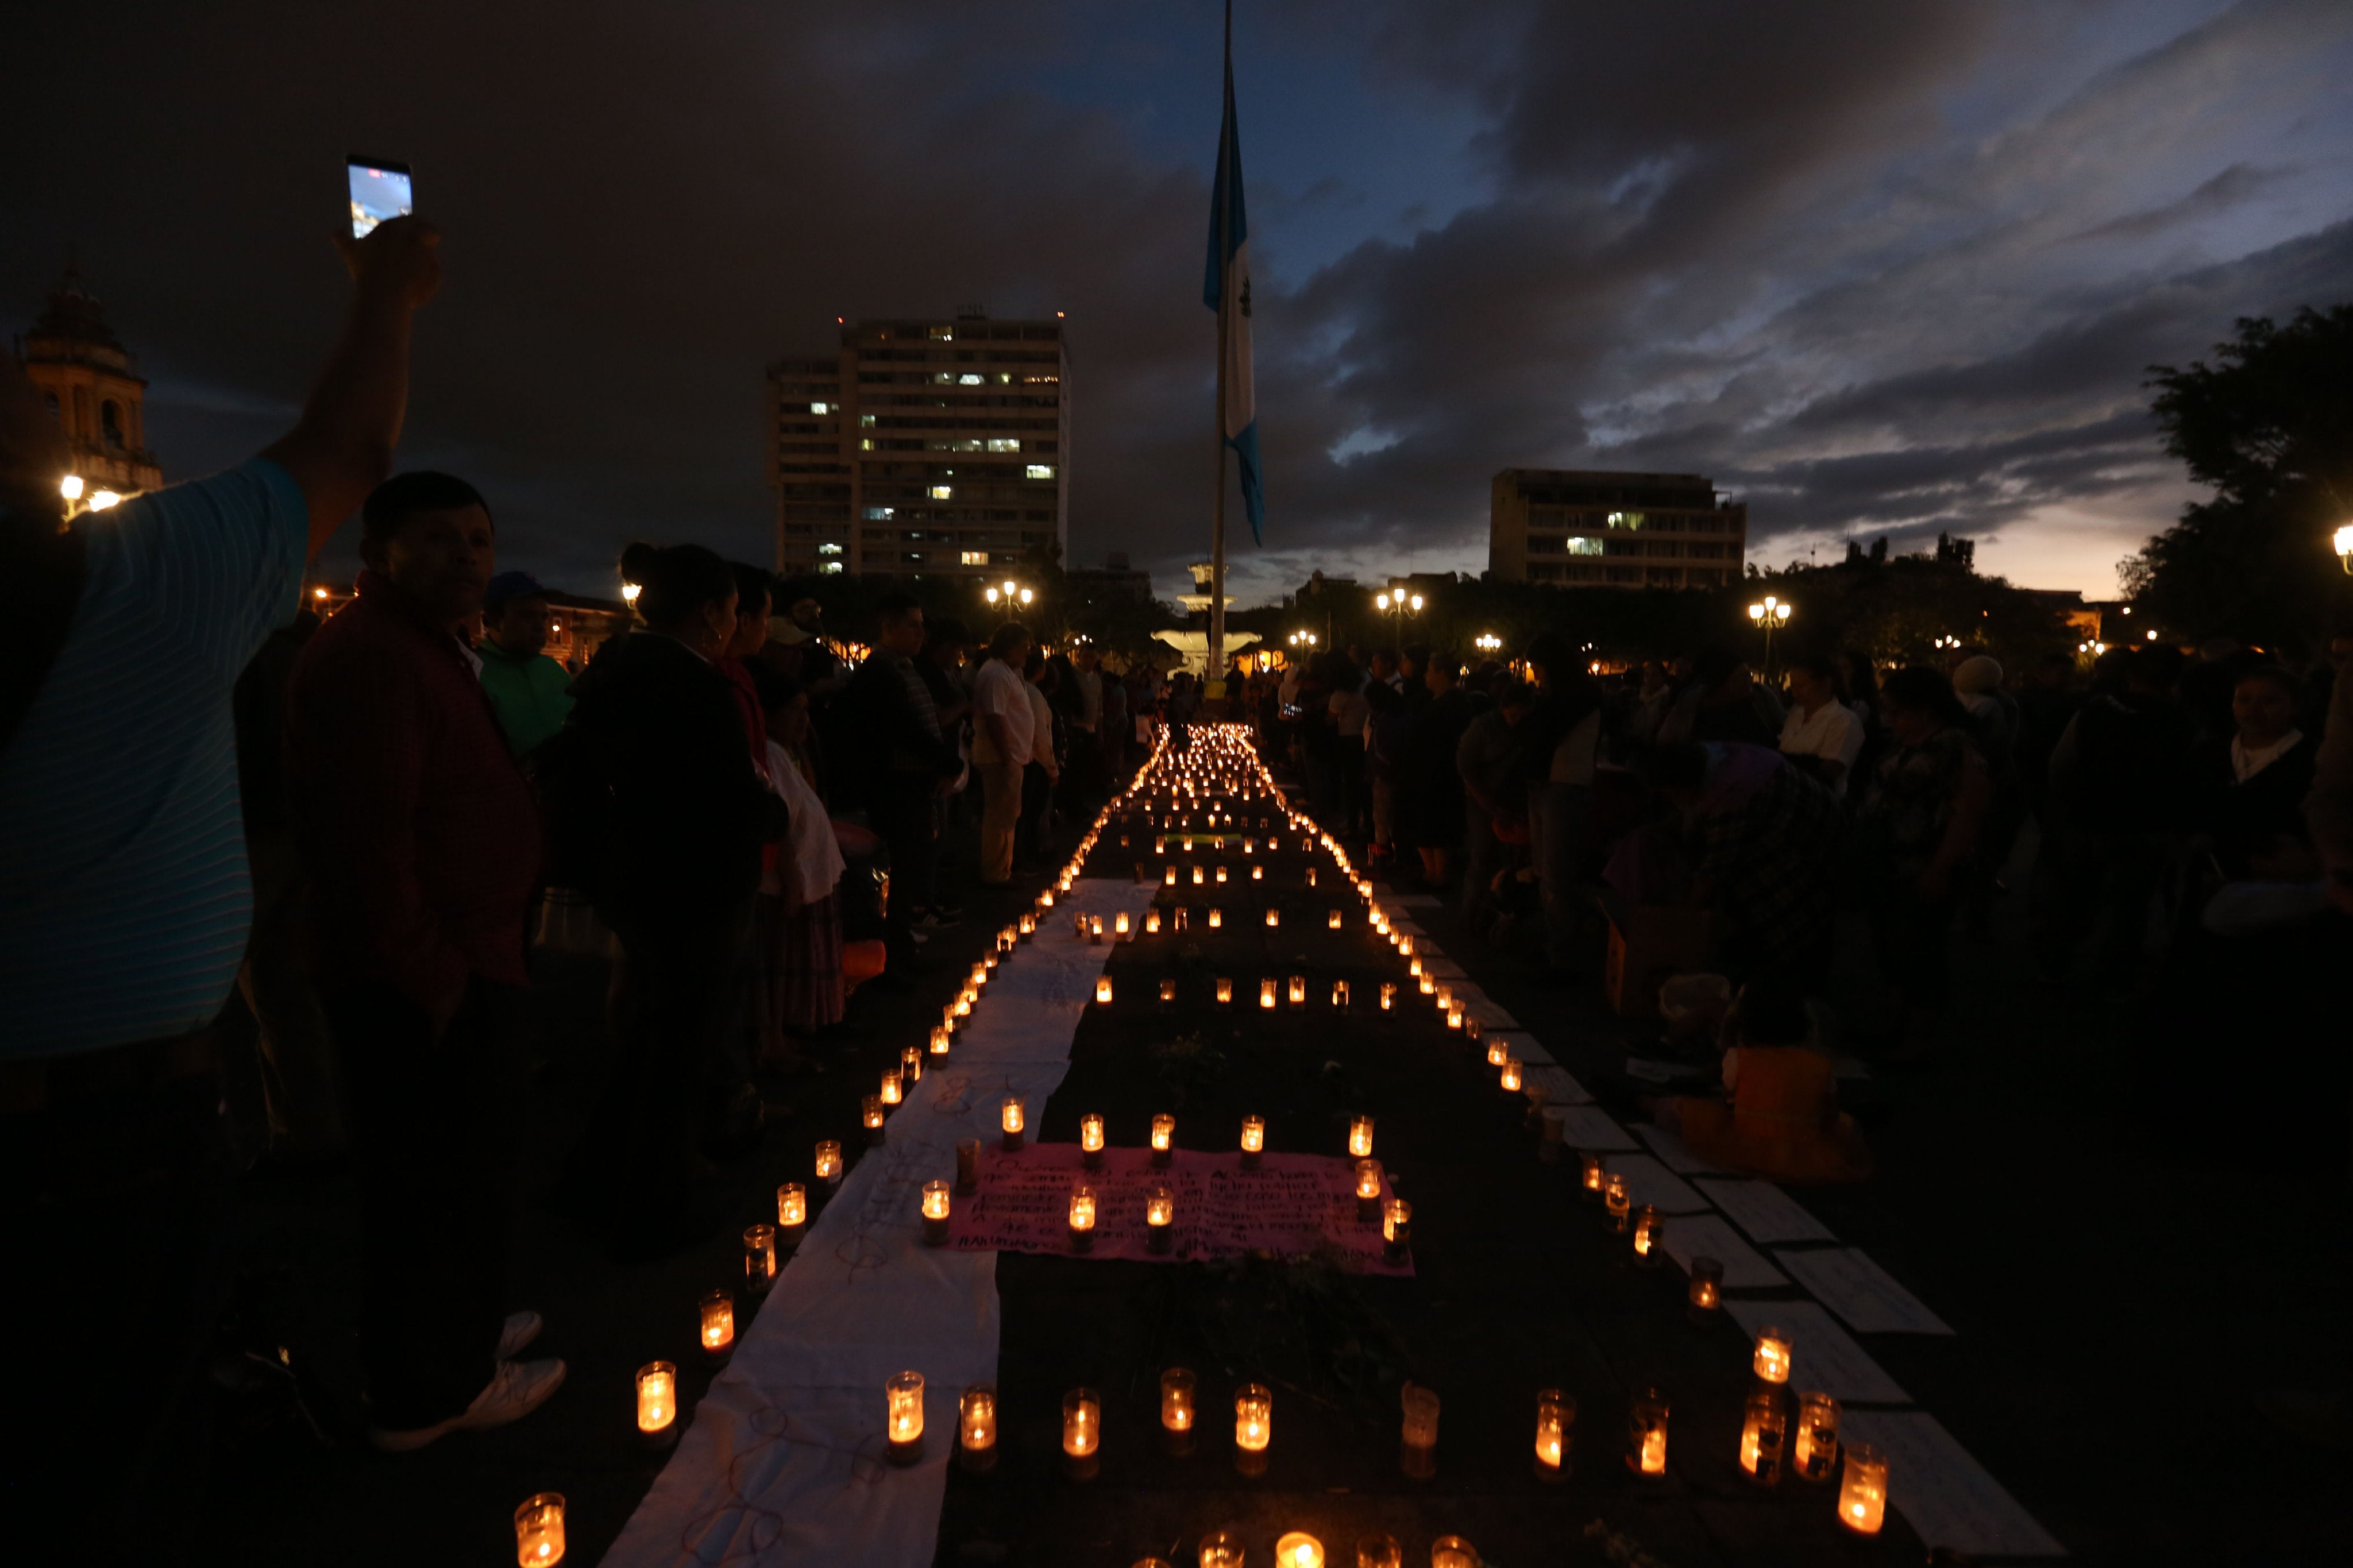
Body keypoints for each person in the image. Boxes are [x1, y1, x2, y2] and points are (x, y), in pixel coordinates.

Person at [0, 214, 439, 1547]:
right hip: (96, 1134)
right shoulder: (124, 583)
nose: (41, 401)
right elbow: (348, 448)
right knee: (113, 1462)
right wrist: (389, 291)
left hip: (103, 1116)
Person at [284, 469, 561, 1450]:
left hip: (464, 956)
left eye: (479, 541)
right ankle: (431, 1390)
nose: (467, 559)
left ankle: (461, 1332)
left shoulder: (424, 648)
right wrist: (432, 976)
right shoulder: (374, 660)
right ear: (377, 556)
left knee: (468, 1171)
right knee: (432, 1182)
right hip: (425, 976)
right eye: (439, 540)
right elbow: (367, 846)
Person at [557, 542, 789, 1254]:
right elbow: (725, 795)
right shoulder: (691, 685)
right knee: (677, 1057)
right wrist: (770, 813)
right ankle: (653, 1213)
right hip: (692, 891)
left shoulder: (615, 670)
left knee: (652, 1044)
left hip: (637, 883)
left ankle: (596, 1180)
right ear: (714, 613)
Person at [1855, 666, 1991, 1053]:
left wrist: (1940, 867)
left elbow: (1969, 812)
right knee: (1893, 947)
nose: (1889, 719)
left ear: (1926, 711)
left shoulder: (1955, 749)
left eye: (1897, 711)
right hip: (1890, 865)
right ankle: (1895, 1025)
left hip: (1924, 864)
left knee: (1921, 951)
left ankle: (1918, 1038)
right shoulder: (1908, 745)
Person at [1637, 742, 1844, 989]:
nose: (1672, 802)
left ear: (1684, 785)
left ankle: (1795, 999)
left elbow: (1712, 872)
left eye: (1671, 795)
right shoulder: (1722, 759)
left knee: (1796, 917)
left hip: (1808, 841)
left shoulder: (1731, 795)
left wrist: (1681, 923)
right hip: (1805, 823)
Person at [1657, 979, 1872, 1183]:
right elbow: (1830, 1113)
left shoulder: (1740, 1059)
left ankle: (1640, 1097)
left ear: (1746, 1020)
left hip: (1749, 1143)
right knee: (1850, 1125)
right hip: (1805, 1147)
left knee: (1683, 1111)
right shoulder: (1818, 1063)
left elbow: (1730, 1105)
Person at [843, 592, 964, 944]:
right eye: (913, 626)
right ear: (888, 626)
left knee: (910, 868)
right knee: (899, 870)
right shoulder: (880, 672)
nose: (921, 634)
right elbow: (905, 729)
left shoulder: (903, 667)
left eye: (922, 626)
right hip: (896, 788)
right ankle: (892, 954)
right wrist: (948, 761)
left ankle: (901, 947)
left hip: (915, 783)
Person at [2184, 665, 2318, 883]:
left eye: (2270, 701)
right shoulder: (2210, 752)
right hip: (2208, 875)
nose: (2253, 710)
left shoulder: (2312, 758)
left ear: (2295, 706)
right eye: (2244, 700)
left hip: (2282, 883)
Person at [474, 570, 573, 760]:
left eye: (544, 617)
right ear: (494, 620)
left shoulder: (553, 670)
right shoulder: (474, 676)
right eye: (527, 616)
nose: (540, 626)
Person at [970, 622, 1035, 886]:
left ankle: (1003, 869)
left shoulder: (1006, 672)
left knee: (1008, 815)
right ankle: (996, 874)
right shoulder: (996, 674)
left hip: (1009, 756)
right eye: (1025, 647)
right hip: (1000, 758)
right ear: (1011, 647)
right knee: (999, 816)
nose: (1028, 653)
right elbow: (994, 717)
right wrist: (1007, 757)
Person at [1777, 654, 1864, 796]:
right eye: (1793, 687)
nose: (1796, 693)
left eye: (1802, 686)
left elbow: (1830, 771)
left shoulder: (1844, 720)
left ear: (1826, 683)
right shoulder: (1796, 714)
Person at [1021, 651, 1062, 864]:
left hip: (1029, 758)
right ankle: (1030, 855)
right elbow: (1040, 735)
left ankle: (1029, 853)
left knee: (1029, 813)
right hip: (1034, 762)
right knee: (1032, 813)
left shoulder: (1025, 690)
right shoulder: (1033, 694)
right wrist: (1051, 767)